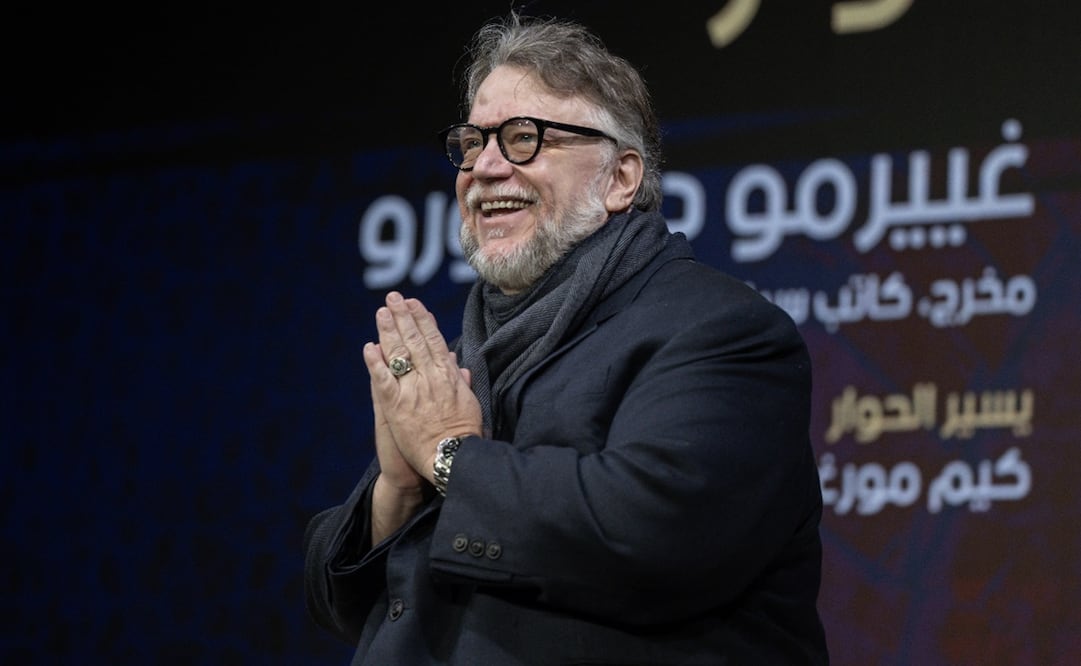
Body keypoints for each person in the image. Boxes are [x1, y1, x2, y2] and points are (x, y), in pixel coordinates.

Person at [304, 11, 829, 665]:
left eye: (524, 138)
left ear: (620, 178)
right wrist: (398, 489)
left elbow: (650, 539)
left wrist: (447, 456)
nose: (485, 167)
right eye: (472, 141)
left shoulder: (720, 333)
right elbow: (342, 599)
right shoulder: (479, 348)